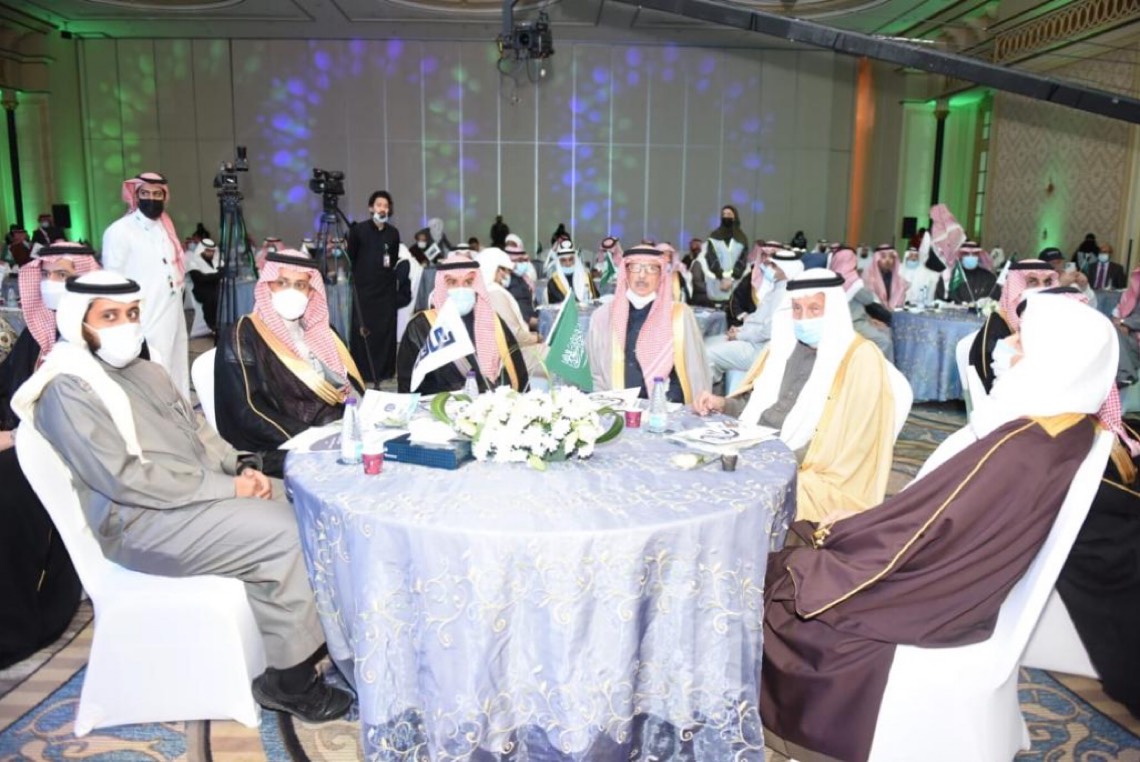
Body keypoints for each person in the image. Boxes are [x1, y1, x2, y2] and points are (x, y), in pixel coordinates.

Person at [761, 294, 1117, 762]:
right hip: (966, 583)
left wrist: (849, 531)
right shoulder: (1066, 427)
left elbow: (929, 528)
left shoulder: (1020, 446)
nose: (1007, 347)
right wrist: (866, 519)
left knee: (785, 577)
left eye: (1022, 342)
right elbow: (942, 514)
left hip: (931, 593)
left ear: (1057, 358)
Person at [12, 271, 354, 722]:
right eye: (110, 316)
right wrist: (229, 488)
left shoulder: (146, 371)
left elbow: (199, 434)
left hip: (194, 498)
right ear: (79, 322)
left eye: (132, 313)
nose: (126, 325)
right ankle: (289, 681)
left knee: (310, 507)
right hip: (140, 522)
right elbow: (124, 479)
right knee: (287, 534)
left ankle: (320, 636)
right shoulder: (67, 389)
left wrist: (240, 468)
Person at [695, 269, 899, 521]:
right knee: (692, 467)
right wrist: (722, 403)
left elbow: (846, 445)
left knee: (725, 497)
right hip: (754, 443)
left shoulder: (860, 360)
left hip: (810, 470)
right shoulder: (784, 346)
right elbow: (757, 404)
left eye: (815, 309)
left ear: (833, 309)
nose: (803, 319)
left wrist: (770, 460)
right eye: (797, 309)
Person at [0, 244, 96, 669]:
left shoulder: (102, 334)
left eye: (67, 275)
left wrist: (16, 438)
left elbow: (88, 418)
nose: (55, 284)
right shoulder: (36, 334)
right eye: (50, 274)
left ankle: (16, 623)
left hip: (64, 451)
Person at [215, 250, 364, 477]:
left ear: (311, 292)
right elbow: (247, 412)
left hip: (335, 433)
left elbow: (347, 386)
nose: (291, 292)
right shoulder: (242, 335)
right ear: (268, 286)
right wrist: (313, 437)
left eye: (300, 285)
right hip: (280, 447)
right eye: (282, 283)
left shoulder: (323, 333)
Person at [101, 171, 190, 398]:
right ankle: (158, 409)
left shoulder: (165, 227)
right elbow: (112, 278)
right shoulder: (120, 230)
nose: (152, 198)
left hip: (171, 307)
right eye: (146, 193)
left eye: (157, 194)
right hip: (143, 310)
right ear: (136, 196)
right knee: (154, 362)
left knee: (177, 357)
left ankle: (179, 407)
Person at [586, 246, 710, 404]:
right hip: (614, 408)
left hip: (665, 408)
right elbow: (593, 374)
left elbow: (691, 372)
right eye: (635, 268)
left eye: (651, 269)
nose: (642, 275)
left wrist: (666, 404)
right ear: (625, 273)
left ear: (661, 275)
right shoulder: (603, 316)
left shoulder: (679, 315)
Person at [397, 254, 528, 394]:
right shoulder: (421, 326)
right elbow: (407, 385)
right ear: (442, 285)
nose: (461, 289)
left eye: (468, 282)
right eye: (452, 282)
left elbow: (518, 371)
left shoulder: (492, 322)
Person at [707, 251, 804, 386]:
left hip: (762, 350)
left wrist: (739, 336)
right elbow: (758, 319)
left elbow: (767, 332)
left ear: (786, 269)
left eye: (774, 266)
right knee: (707, 343)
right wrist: (740, 330)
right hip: (753, 341)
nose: (769, 268)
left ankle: (704, 391)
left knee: (707, 353)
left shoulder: (785, 295)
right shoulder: (777, 289)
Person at [345, 190, 408, 384]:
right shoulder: (358, 230)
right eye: (379, 205)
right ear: (371, 208)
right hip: (364, 290)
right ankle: (363, 372)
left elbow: (393, 258)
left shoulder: (393, 233)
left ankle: (385, 371)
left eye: (386, 206)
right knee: (363, 330)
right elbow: (351, 257)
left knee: (385, 330)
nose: (382, 209)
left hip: (386, 290)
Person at [968, 259, 1057, 393]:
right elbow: (990, 379)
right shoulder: (999, 324)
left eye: (1047, 282)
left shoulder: (1052, 322)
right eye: (1033, 282)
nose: (1042, 289)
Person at [477, 248, 547, 382]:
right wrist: (537, 337)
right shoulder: (494, 293)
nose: (506, 274)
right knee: (555, 355)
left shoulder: (490, 291)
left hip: (512, 350)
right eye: (503, 270)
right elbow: (515, 335)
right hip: (510, 356)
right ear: (493, 269)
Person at [830, 247, 894, 360]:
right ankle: (877, 368)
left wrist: (869, 319)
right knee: (884, 342)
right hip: (854, 323)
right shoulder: (852, 280)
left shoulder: (831, 277)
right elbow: (868, 299)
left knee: (885, 329)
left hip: (849, 321)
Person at [694, 205, 749, 304]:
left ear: (735, 217)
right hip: (717, 283)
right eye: (724, 214)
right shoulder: (714, 236)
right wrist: (722, 277)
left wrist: (731, 278)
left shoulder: (741, 238)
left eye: (729, 214)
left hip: (735, 284)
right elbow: (711, 258)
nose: (726, 216)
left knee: (734, 307)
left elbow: (742, 260)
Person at [934, 244, 999, 304]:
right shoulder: (949, 277)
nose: (970, 256)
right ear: (961, 255)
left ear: (979, 255)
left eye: (974, 254)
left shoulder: (989, 277)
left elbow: (996, 300)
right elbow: (939, 301)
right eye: (966, 254)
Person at [185, 238, 220, 336]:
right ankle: (212, 326)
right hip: (201, 289)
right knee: (211, 296)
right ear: (202, 250)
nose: (211, 253)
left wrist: (216, 276)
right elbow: (199, 279)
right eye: (208, 251)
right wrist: (217, 275)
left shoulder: (216, 260)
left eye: (212, 251)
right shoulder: (193, 260)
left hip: (215, 287)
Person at [546, 240, 597, 305]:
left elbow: (595, 299)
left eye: (570, 259)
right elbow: (556, 305)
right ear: (559, 261)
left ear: (575, 259)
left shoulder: (586, 277)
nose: (568, 263)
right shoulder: (553, 281)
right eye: (563, 260)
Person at [504, 235, 539, 331]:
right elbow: (521, 314)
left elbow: (531, 303)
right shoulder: (508, 282)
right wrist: (540, 323)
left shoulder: (522, 278)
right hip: (524, 328)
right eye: (517, 261)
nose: (521, 264)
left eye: (522, 261)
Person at [862, 245, 908, 309]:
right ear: (876, 259)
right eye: (883, 257)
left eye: (891, 257)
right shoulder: (869, 278)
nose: (888, 261)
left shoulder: (899, 279)